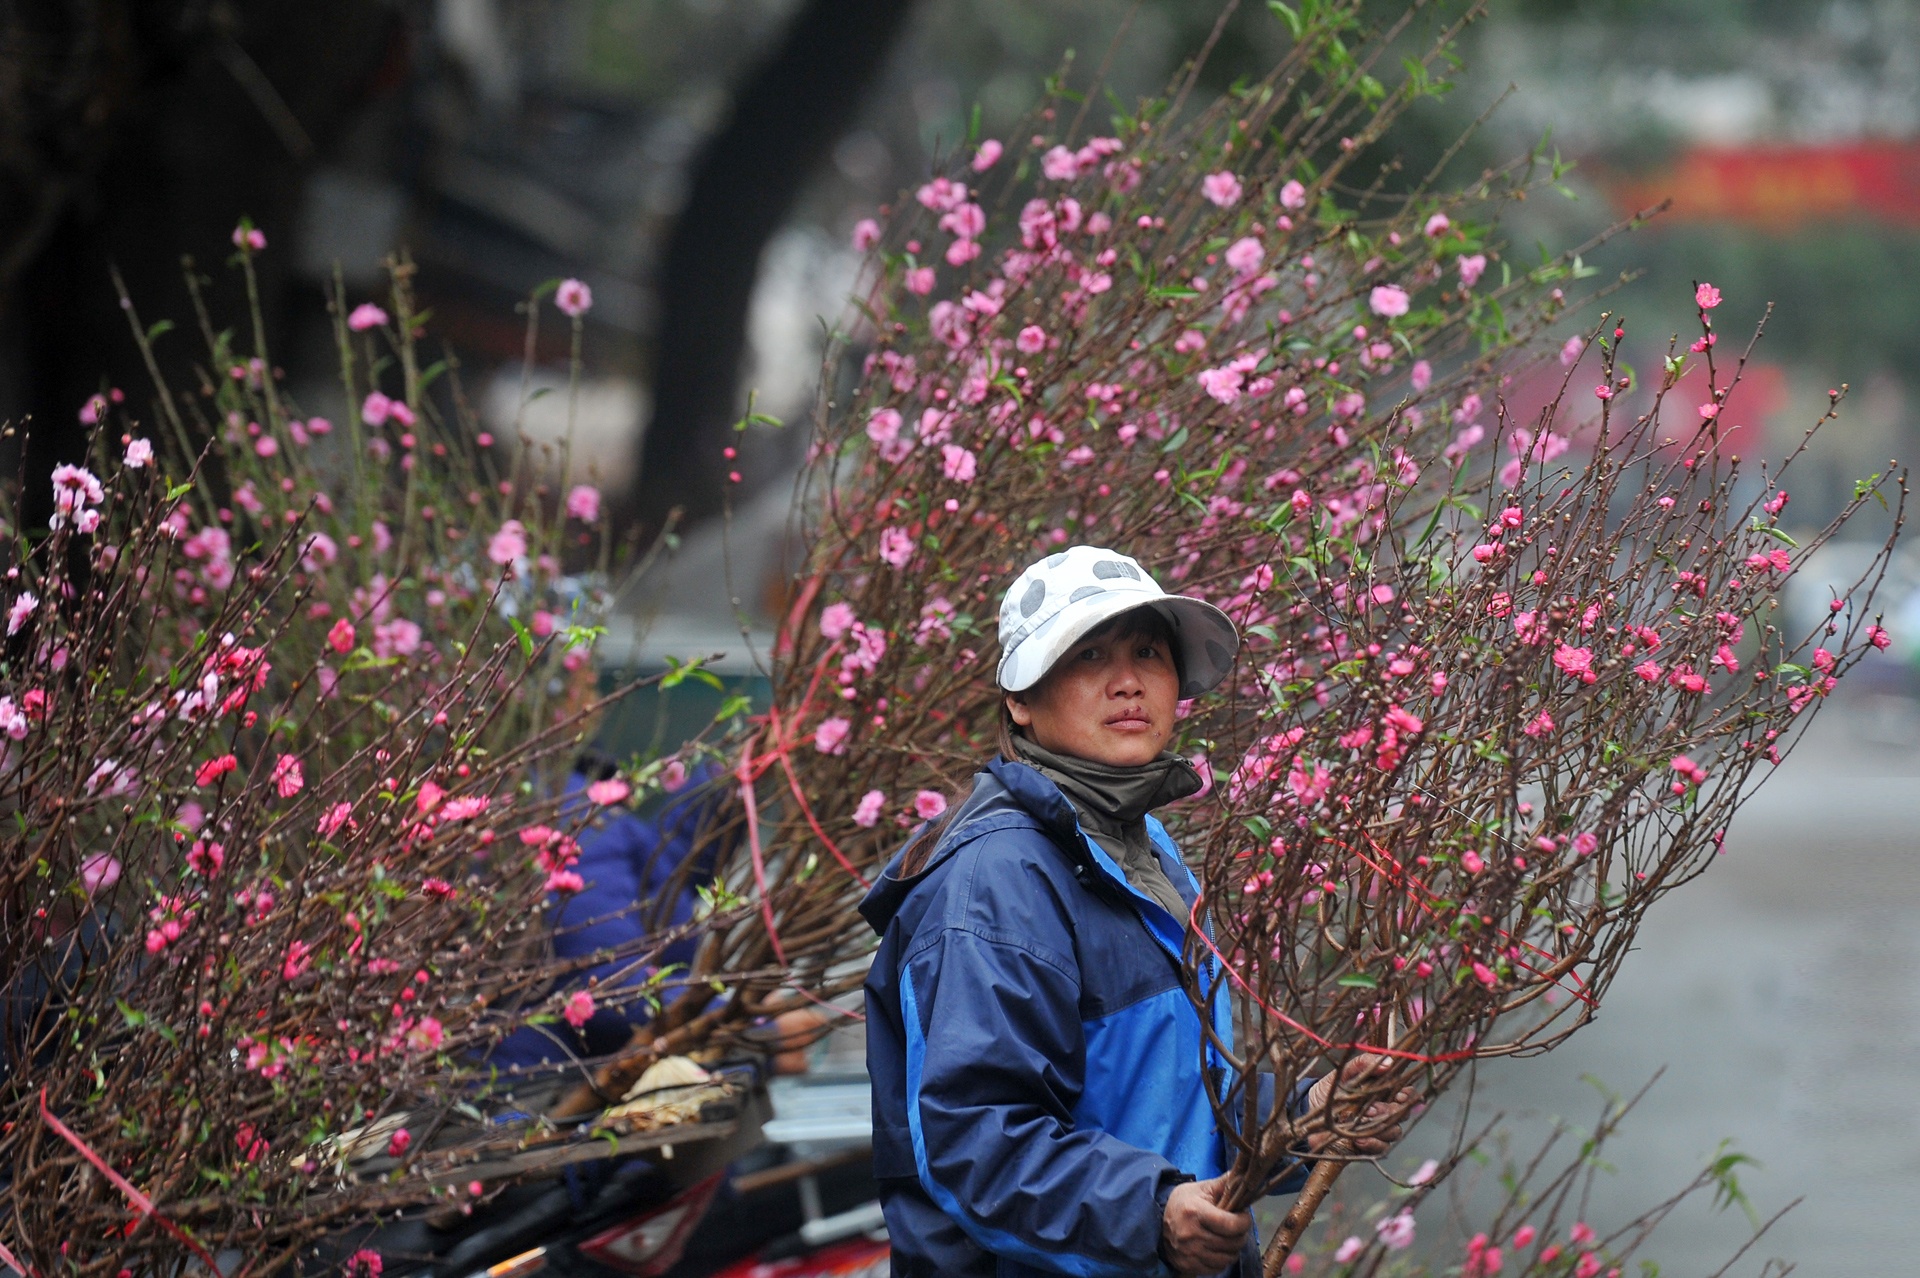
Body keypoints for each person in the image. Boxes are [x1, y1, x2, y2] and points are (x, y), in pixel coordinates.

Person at [861, 546, 1408, 1277]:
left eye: (1148, 651)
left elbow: (1176, 1097)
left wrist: (1305, 1117)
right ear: (1019, 700)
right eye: (1088, 655)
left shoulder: (1140, 847)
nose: (1127, 682)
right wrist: (1150, 1214)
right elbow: (974, 1147)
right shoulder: (997, 883)